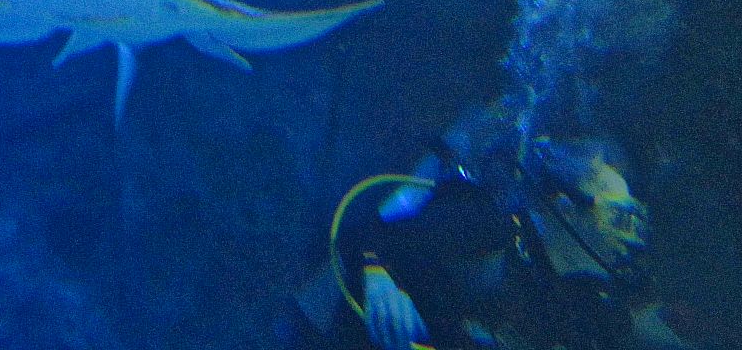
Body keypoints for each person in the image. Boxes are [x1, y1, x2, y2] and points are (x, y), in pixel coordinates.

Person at [296, 135, 702, 350]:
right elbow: (372, 233)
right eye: (619, 217)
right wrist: (379, 279)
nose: (630, 238)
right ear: (565, 205)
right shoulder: (491, 228)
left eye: (634, 222)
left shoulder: (585, 301)